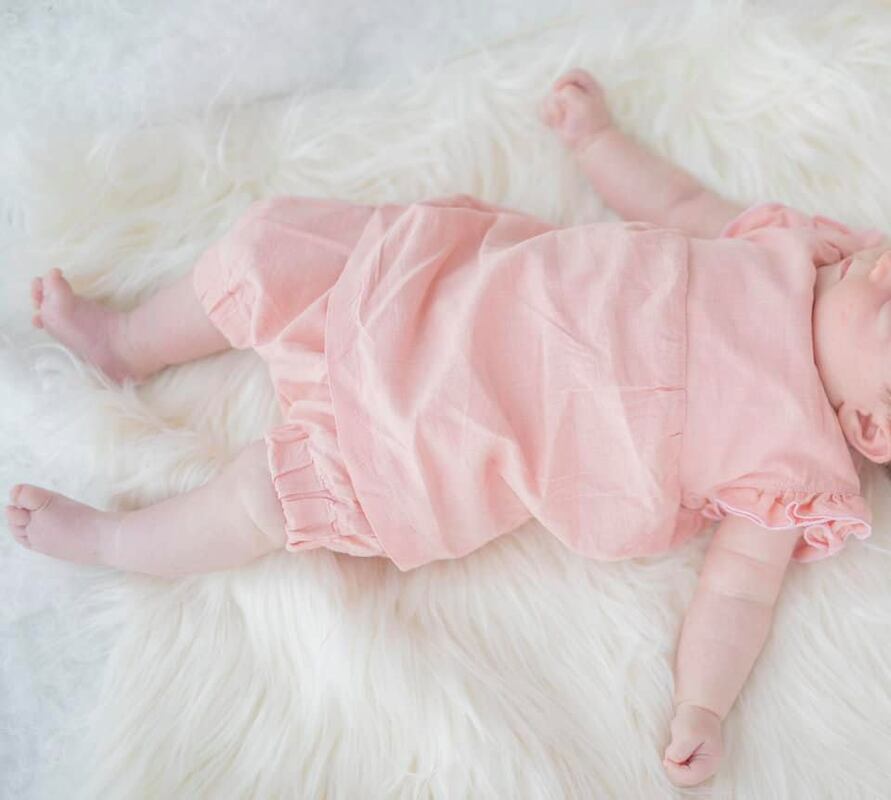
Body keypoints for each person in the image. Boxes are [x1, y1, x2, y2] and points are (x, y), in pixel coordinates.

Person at [5, 68, 888, 787]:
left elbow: (736, 595)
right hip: (435, 289)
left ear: (872, 426)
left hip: (444, 432)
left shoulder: (795, 468)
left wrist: (702, 705)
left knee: (265, 499)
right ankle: (127, 341)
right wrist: (596, 142)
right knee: (267, 249)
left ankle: (115, 542)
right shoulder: (789, 245)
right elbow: (679, 199)